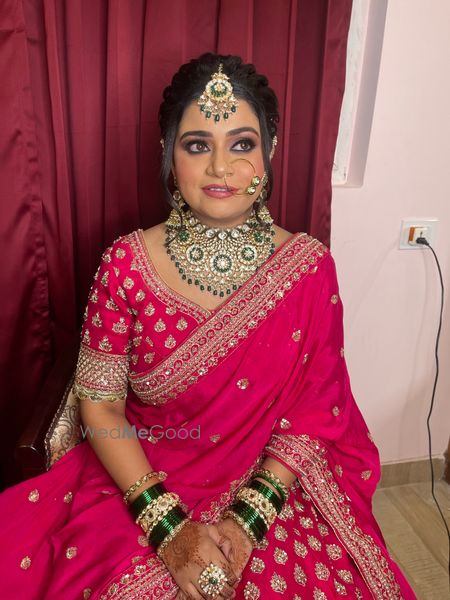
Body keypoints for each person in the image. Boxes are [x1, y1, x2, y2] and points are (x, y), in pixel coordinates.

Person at [0, 53, 416, 600]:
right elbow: (100, 408)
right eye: (198, 146)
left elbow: (317, 411)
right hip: (140, 476)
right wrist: (168, 528)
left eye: (242, 144)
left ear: (270, 151)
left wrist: (249, 521)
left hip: (272, 481)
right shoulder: (125, 265)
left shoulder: (308, 268)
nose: (221, 168)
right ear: (169, 154)